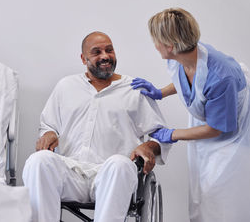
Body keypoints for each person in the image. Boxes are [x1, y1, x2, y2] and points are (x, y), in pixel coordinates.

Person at [131, 8, 250, 222]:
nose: (154, 45)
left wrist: (173, 134)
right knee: (201, 187)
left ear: (171, 45)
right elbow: (186, 80)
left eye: (156, 40)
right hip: (214, 108)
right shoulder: (182, 55)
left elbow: (218, 127)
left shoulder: (220, 76)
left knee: (223, 193)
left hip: (234, 125)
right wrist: (160, 93)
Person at [22, 31, 171, 222]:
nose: (105, 56)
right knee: (39, 161)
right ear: (83, 58)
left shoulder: (134, 89)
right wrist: (50, 133)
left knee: (120, 163)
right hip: (71, 174)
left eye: (109, 50)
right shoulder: (66, 86)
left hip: (112, 176)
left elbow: (161, 135)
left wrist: (149, 146)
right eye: (97, 52)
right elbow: (48, 124)